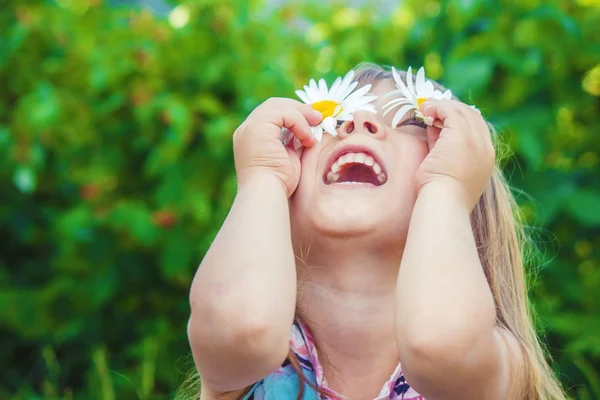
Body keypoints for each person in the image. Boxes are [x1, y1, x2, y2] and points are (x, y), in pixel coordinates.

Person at [185, 64, 566, 400]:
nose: (357, 124)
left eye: (414, 122)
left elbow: (440, 346)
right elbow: (244, 328)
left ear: (468, 205)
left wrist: (446, 188)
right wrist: (262, 177)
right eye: (333, 118)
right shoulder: (241, 366)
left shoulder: (498, 367)